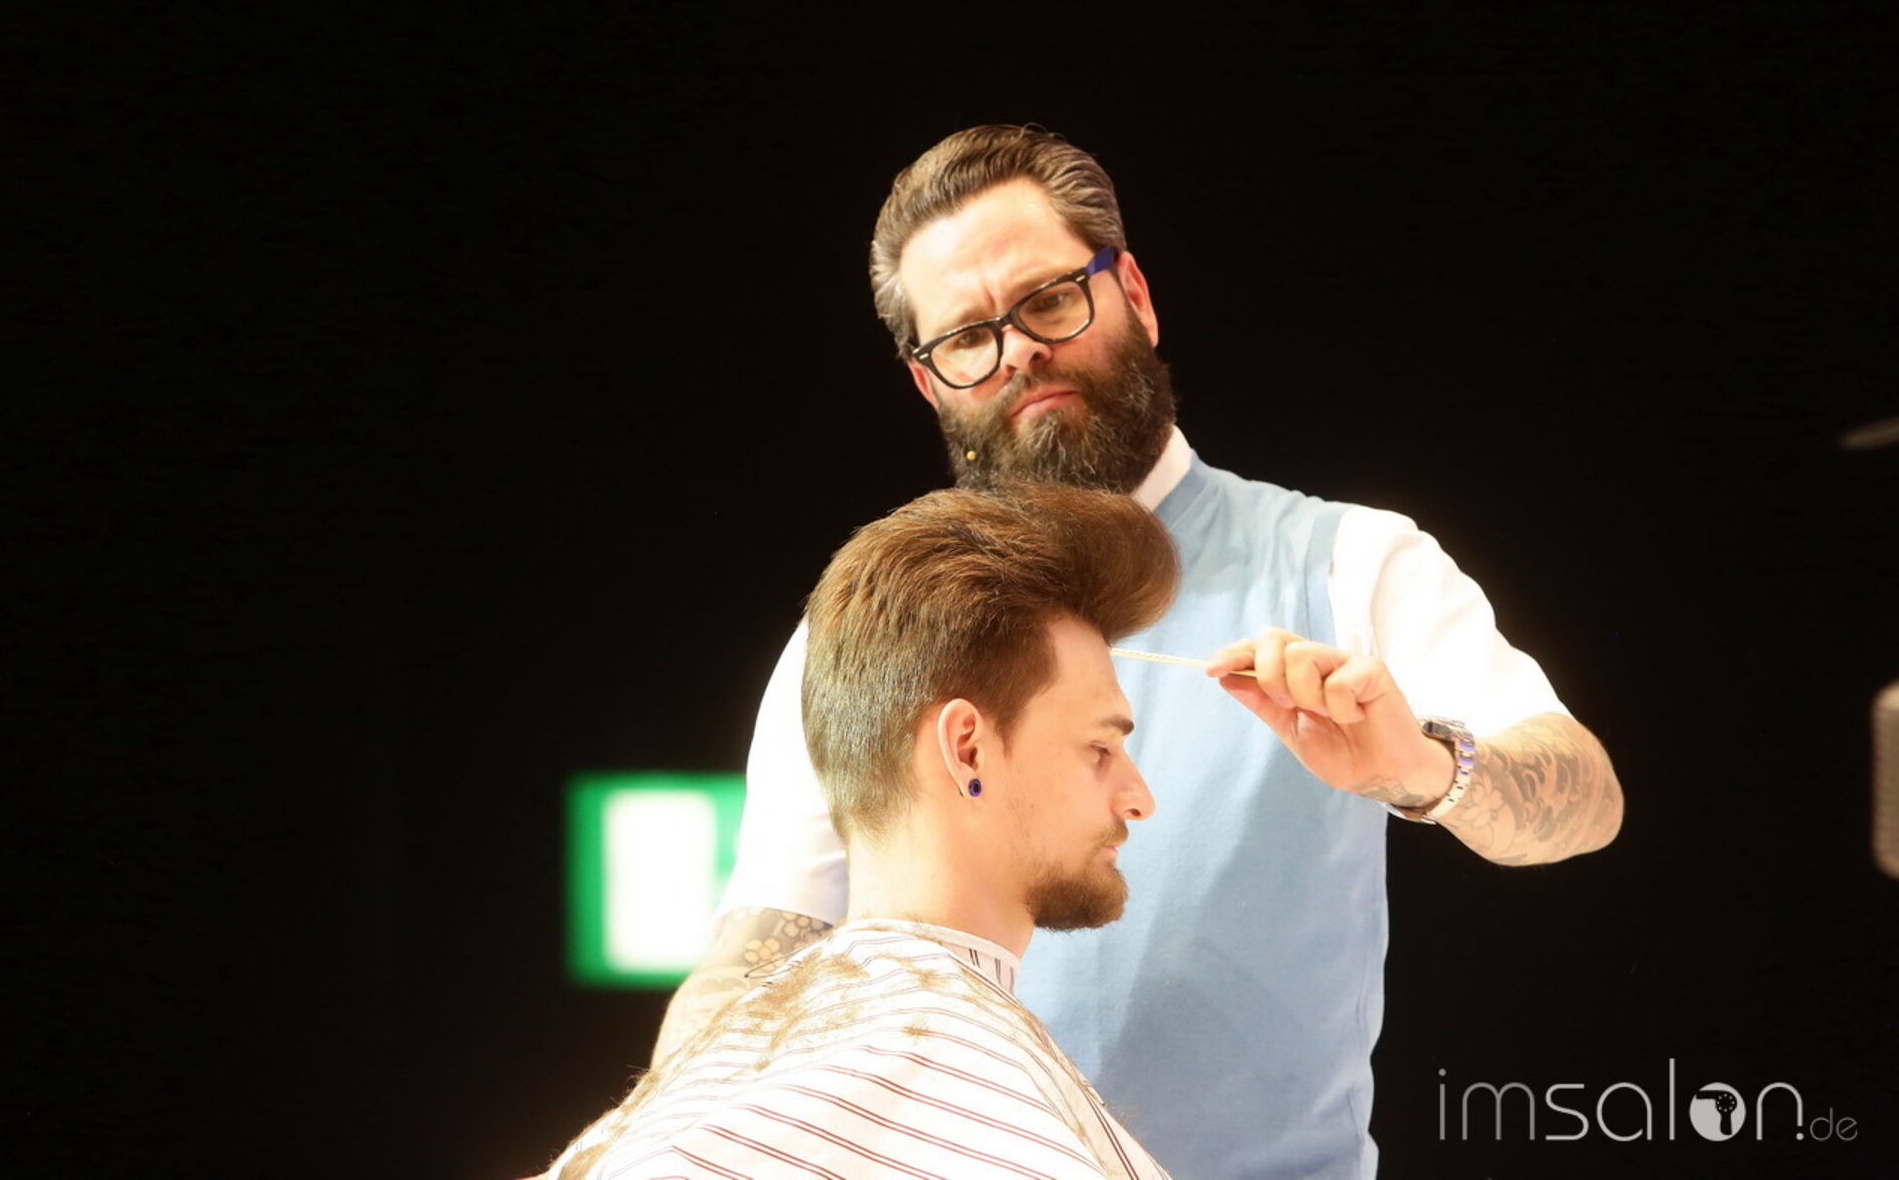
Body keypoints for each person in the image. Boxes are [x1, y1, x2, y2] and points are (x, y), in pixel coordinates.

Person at [654, 125, 1626, 1178]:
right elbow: (759, 956)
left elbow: (1588, 799)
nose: (1018, 351)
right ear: (929, 383)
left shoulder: (1350, 560)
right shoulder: (861, 636)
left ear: (1135, 296)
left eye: (1047, 301)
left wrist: (1422, 767)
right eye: (968, 336)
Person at [545, 485, 1180, 1179]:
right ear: (967, 749)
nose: (1138, 798)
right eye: (1099, 748)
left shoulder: (691, 1104)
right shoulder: (947, 1095)